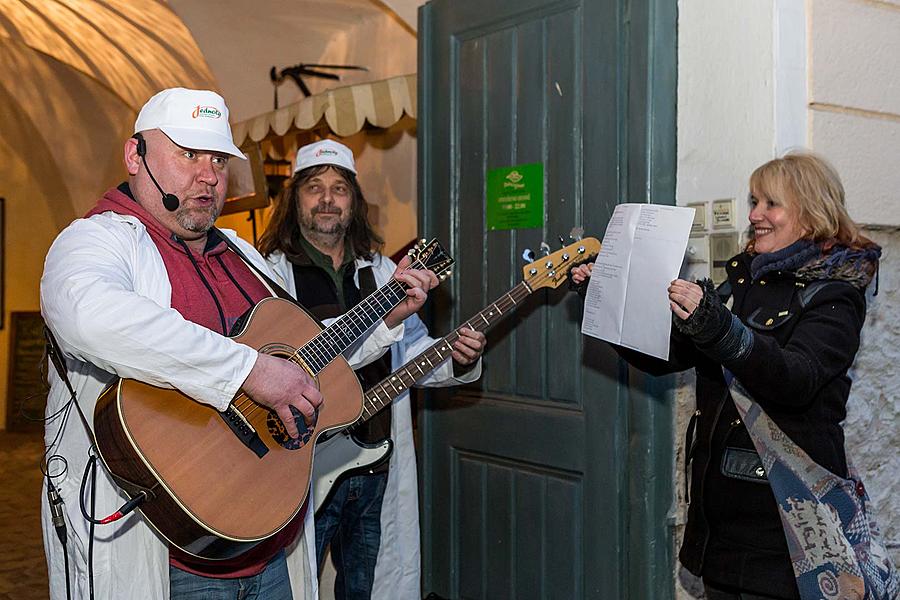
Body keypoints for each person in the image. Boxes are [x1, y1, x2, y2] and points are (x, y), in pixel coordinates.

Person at [40, 89, 438, 600]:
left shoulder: (241, 253)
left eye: (218, 160)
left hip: (268, 541)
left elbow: (306, 358)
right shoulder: (97, 240)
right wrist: (248, 371)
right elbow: (89, 316)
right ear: (134, 156)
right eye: (187, 155)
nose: (208, 175)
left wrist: (386, 321)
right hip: (168, 553)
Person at [571, 152, 880, 600]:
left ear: (811, 212)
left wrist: (719, 328)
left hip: (786, 527)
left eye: (770, 203)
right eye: (754, 201)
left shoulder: (834, 294)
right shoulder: (743, 280)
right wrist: (604, 296)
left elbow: (794, 381)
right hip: (721, 523)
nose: (754, 214)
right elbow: (669, 357)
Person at [259, 139, 486, 600]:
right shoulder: (270, 274)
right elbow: (289, 358)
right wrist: (384, 321)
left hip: (375, 459)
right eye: (314, 188)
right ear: (295, 200)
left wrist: (458, 356)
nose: (327, 199)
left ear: (354, 203)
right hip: (305, 460)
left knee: (368, 586)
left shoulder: (383, 271)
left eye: (339, 188)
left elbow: (415, 350)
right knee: (293, 583)